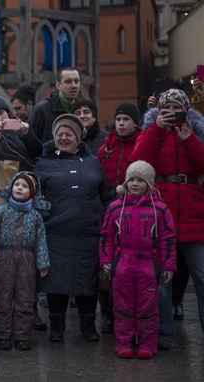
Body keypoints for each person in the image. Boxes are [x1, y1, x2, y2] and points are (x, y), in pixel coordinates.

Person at [131, 88, 204, 350]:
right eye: (167, 109)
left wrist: (189, 139)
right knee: (160, 278)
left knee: (202, 275)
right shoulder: (151, 130)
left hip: (194, 212)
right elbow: (137, 165)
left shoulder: (196, 130)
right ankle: (162, 334)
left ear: (186, 110)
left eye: (177, 108)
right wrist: (157, 130)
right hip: (160, 211)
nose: (172, 113)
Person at [34, 114, 115, 342]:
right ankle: (57, 326)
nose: (63, 137)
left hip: (89, 232)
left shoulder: (91, 162)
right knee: (56, 283)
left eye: (69, 133)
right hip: (56, 233)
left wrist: (110, 218)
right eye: (59, 133)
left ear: (78, 138)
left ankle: (88, 325)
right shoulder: (44, 162)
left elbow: (106, 193)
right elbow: (36, 196)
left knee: (88, 282)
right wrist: (44, 216)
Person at [100, 161, 176, 359]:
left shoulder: (160, 209)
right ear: (125, 182)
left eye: (140, 180)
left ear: (149, 184)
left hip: (148, 264)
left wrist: (168, 266)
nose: (134, 184)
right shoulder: (115, 207)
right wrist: (106, 260)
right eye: (131, 179)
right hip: (123, 263)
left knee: (147, 306)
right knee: (122, 306)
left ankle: (147, 344)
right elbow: (106, 236)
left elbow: (167, 240)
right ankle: (124, 342)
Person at [0, 172, 49, 351]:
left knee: (25, 298)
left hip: (27, 259)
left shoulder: (35, 216)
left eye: (25, 186)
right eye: (17, 184)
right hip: (4, 258)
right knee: (3, 296)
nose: (20, 188)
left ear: (32, 193)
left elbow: (41, 241)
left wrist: (43, 263)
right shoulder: (1, 212)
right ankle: (3, 335)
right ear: (11, 188)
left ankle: (22, 335)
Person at [95, 102, 142, 333]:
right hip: (109, 211)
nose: (121, 123)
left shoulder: (143, 145)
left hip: (135, 212)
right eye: (118, 119)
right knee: (107, 265)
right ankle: (108, 313)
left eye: (126, 119)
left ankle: (134, 315)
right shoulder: (106, 149)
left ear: (135, 123)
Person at [0, 94, 42, 171]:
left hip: (28, 176)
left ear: (7, 112)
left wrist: (27, 135)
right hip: (3, 179)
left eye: (1, 112)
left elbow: (38, 152)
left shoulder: (20, 126)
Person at [28, 67, 81, 143]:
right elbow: (30, 141)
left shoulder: (83, 110)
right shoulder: (41, 110)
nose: (74, 86)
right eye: (68, 82)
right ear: (58, 85)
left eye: (76, 81)